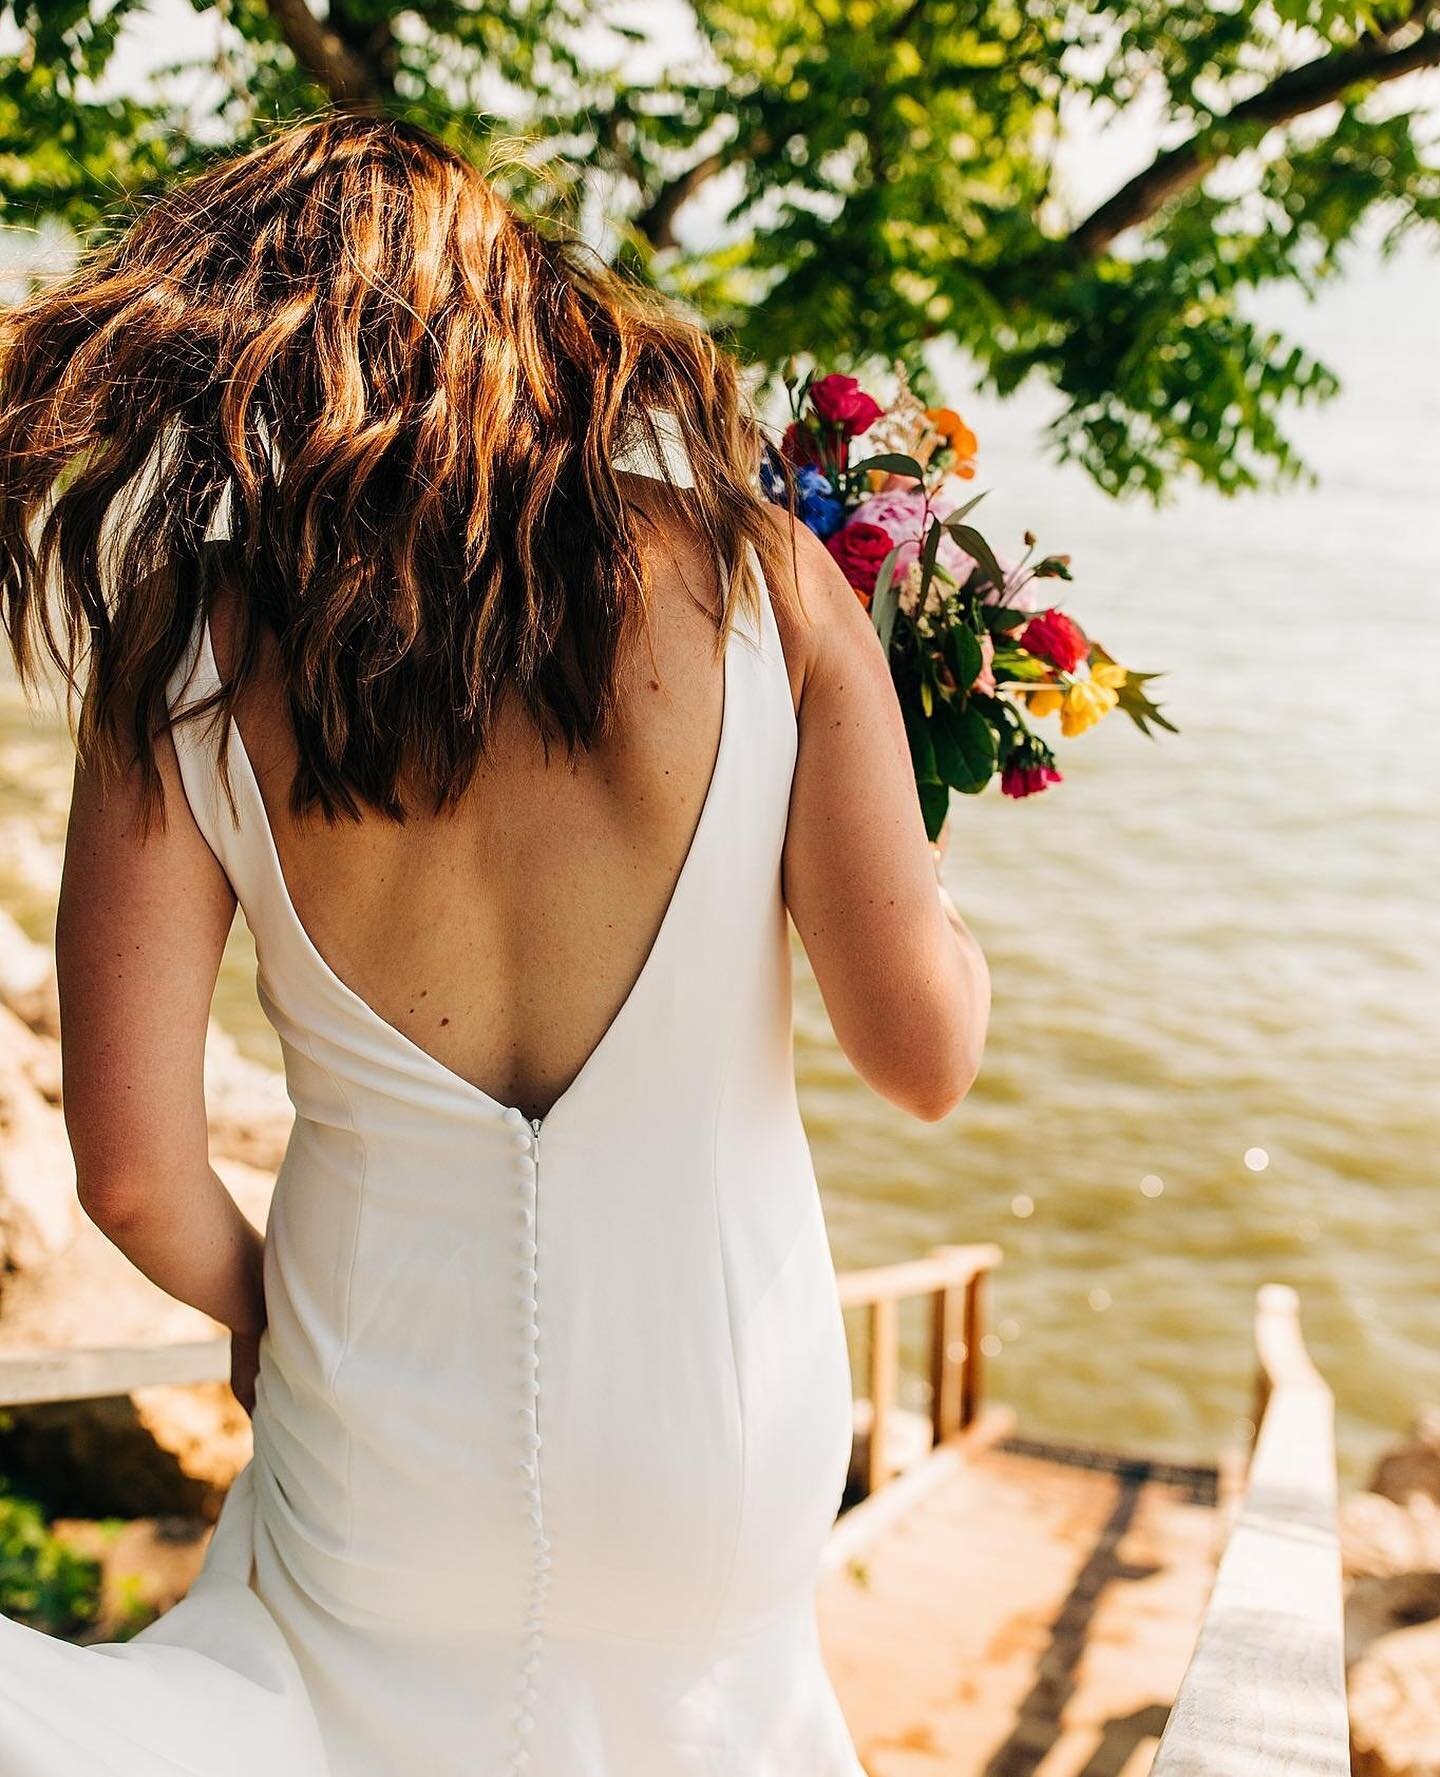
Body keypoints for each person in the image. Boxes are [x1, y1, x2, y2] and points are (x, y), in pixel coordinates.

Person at [0, 111, 989, 1777]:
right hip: (713, 1432)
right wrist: (936, 895)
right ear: (532, 317)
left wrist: (277, 1317)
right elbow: (925, 1055)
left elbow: (130, 1173)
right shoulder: (771, 585)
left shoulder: (183, 658)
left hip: (382, 1440)